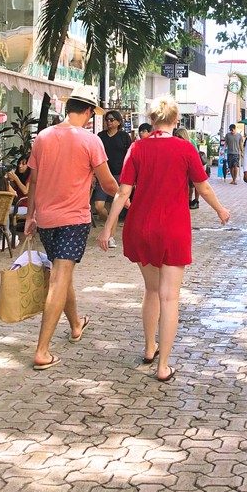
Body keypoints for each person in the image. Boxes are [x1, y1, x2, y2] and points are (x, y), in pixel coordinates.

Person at [98, 96, 230, 382]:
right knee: (170, 297)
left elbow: (122, 192)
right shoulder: (184, 148)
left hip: (141, 227)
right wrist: (220, 209)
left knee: (151, 291)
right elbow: (202, 187)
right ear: (176, 121)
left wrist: (108, 228)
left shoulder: (138, 148)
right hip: (173, 228)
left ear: (153, 120)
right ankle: (163, 365)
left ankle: (149, 349)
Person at [25, 86, 119, 371]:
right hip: (73, 220)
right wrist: (126, 196)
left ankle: (76, 324)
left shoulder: (42, 137)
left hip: (46, 220)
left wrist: (30, 216)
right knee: (59, 279)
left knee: (62, 275)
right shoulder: (91, 141)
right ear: (89, 112)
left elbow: (34, 182)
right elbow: (107, 184)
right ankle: (42, 350)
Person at [93, 111, 132, 243]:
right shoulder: (100, 136)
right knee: (99, 206)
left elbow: (130, 156)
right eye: (107, 119)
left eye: (112, 119)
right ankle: (109, 223)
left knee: (114, 204)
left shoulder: (124, 136)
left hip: (119, 175)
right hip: (102, 174)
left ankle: (110, 236)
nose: (109, 122)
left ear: (118, 122)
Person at [174, 126, 200, 209]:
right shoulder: (176, 144)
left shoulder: (190, 143)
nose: (177, 138)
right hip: (183, 168)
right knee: (188, 185)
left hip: (192, 167)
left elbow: (196, 155)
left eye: (179, 136)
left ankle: (196, 201)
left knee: (195, 185)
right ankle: (188, 200)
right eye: (176, 136)